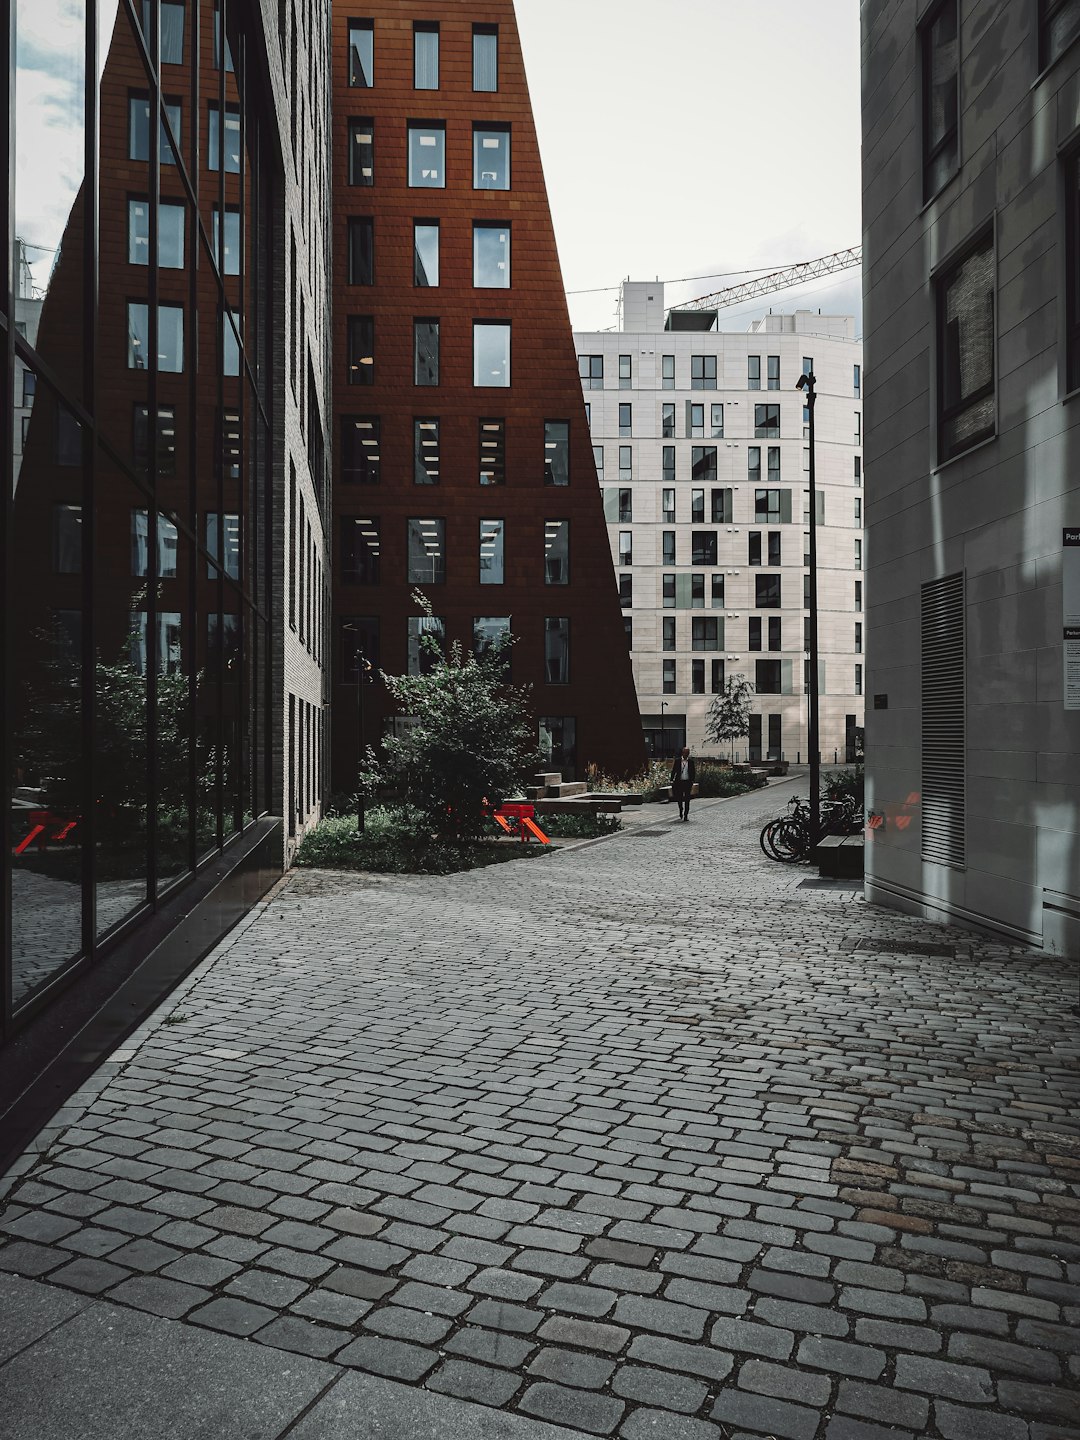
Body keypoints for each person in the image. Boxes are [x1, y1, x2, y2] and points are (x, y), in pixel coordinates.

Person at [670, 746, 696, 821]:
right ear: (682, 753)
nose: (686, 754)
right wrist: (671, 780)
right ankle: (681, 809)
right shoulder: (678, 761)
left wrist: (692, 781)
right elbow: (674, 771)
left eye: (687, 753)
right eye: (685, 752)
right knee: (679, 798)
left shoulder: (691, 762)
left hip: (687, 782)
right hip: (679, 782)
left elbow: (693, 772)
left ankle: (686, 815)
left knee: (687, 799)